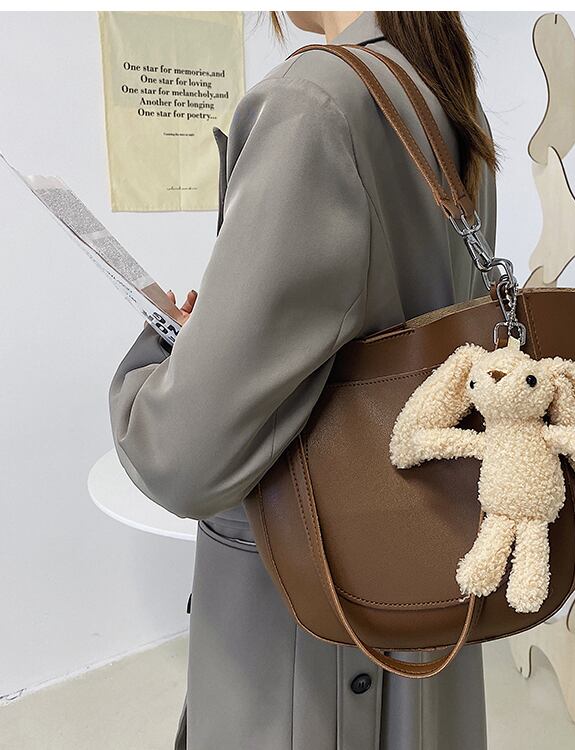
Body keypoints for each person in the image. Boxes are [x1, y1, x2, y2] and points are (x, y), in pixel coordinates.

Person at [108, 11, 498, 750]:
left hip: (310, 631)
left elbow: (179, 456)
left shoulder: (314, 103)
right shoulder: (444, 101)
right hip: (428, 576)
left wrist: (155, 359)